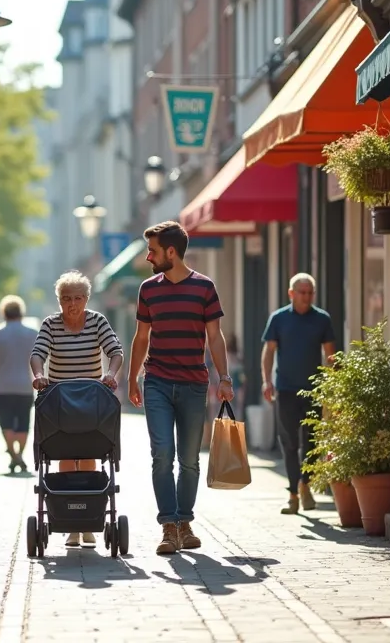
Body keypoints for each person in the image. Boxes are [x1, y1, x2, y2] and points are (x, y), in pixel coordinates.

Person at [127, 222, 232, 555]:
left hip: (193, 383)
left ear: (170, 252)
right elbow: (141, 337)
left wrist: (224, 377)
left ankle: (185, 522)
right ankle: (168, 527)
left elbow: (214, 336)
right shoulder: (148, 289)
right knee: (162, 456)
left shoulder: (204, 287)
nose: (148, 257)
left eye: (153, 251)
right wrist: (132, 379)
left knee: (189, 460)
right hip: (156, 380)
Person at [30, 271, 124, 548]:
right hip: (60, 402)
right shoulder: (51, 324)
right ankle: (72, 525)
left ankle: (88, 520)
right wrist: (38, 375)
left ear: (86, 299)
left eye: (78, 298)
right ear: (59, 300)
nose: (72, 304)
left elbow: (115, 351)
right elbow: (38, 354)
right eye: (66, 298)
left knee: (90, 450)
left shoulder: (97, 321)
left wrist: (112, 374)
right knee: (65, 453)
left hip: (91, 401)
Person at [261, 273, 336, 515]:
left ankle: (305, 484)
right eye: (301, 293)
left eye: (309, 293)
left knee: (311, 441)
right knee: (289, 442)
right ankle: (293, 494)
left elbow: (330, 355)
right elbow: (269, 350)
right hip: (285, 388)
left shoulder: (322, 319)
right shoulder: (279, 318)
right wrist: (266, 381)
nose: (306, 297)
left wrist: (332, 385)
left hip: (313, 390)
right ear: (291, 293)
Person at [0, 295, 39, 474]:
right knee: (23, 423)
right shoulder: (33, 333)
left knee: (6, 423)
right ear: (21, 312)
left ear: (4, 312)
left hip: (2, 386)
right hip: (25, 385)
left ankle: (14, 456)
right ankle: (19, 455)